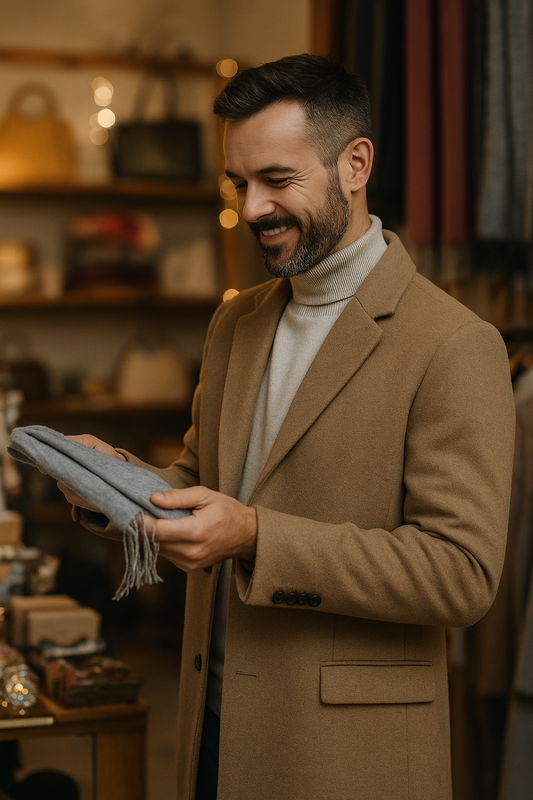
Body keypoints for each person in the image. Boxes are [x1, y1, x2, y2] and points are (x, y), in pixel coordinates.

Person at [59, 55, 515, 800]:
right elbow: (200, 482)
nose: (252, 208)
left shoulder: (455, 344)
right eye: (238, 184)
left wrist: (256, 537)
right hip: (209, 728)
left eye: (276, 179)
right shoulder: (235, 322)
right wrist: (108, 482)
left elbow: (460, 575)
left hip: (345, 758)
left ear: (355, 164)